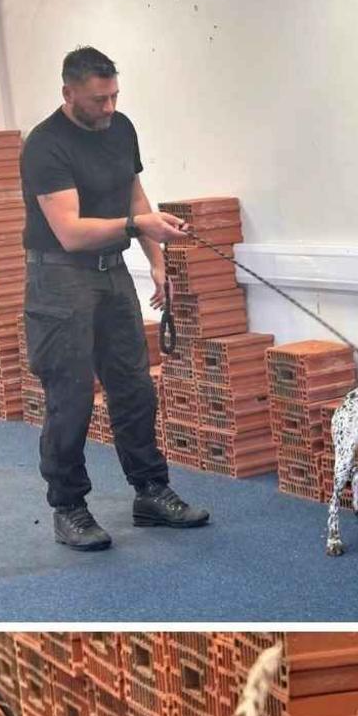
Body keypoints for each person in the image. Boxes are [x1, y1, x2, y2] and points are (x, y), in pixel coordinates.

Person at [22, 45, 210, 550]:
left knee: (135, 389)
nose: (107, 108)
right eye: (97, 100)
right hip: (60, 279)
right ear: (68, 94)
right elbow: (70, 232)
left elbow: (136, 199)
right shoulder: (45, 145)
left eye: (113, 96)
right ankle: (69, 507)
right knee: (72, 399)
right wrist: (136, 226)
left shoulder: (121, 128)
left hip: (113, 276)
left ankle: (150, 491)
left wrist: (156, 262)